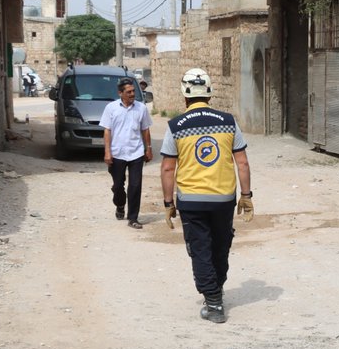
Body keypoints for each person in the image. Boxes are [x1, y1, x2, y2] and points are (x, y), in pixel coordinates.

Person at [159, 68, 253, 324]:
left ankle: (213, 303)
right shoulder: (228, 121)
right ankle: (216, 288)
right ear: (209, 93)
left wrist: (168, 203)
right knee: (221, 245)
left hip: (191, 200)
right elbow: (242, 163)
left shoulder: (175, 126)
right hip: (224, 199)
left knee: (200, 248)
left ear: (184, 95)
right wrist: (246, 195)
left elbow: (168, 167)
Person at [99, 77, 153, 229]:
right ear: (120, 93)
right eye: (128, 92)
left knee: (135, 186)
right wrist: (107, 152)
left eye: (133, 91)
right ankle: (120, 205)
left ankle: (133, 217)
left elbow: (145, 129)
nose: (132, 94)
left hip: (136, 153)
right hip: (117, 153)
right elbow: (107, 131)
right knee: (118, 186)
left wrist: (148, 148)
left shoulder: (141, 108)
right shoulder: (111, 108)